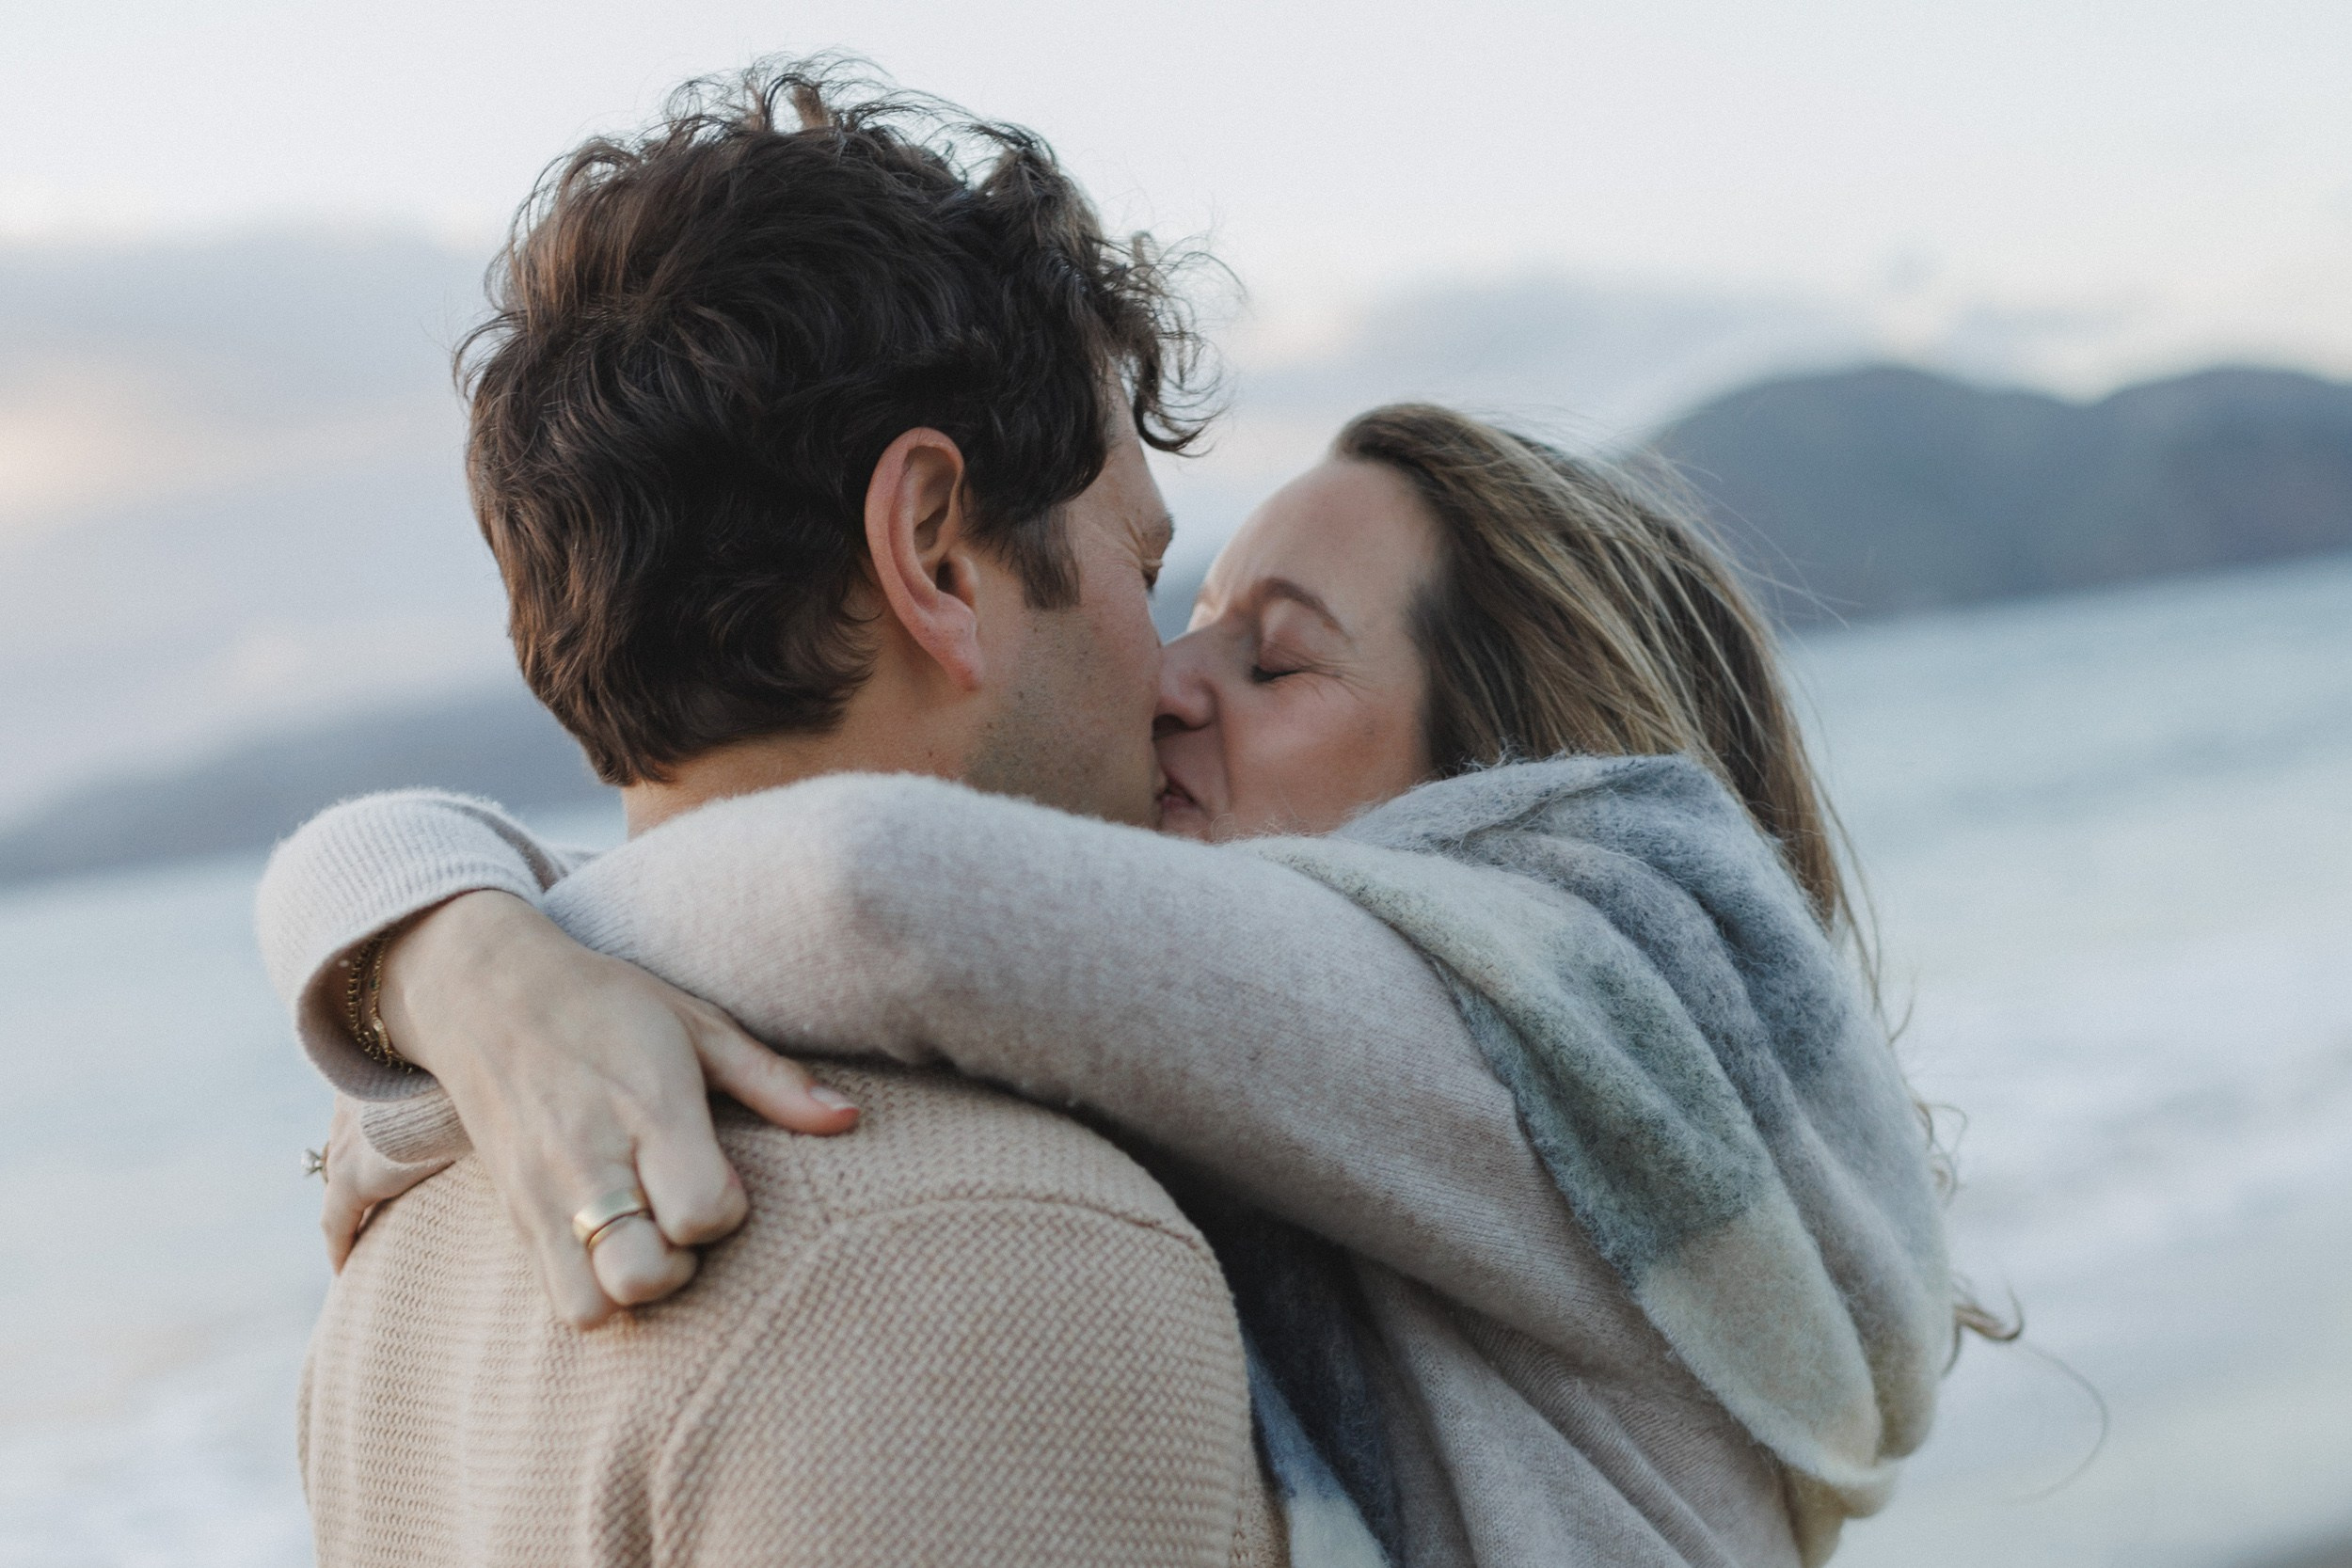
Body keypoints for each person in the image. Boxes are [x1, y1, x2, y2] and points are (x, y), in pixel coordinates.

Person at [269, 395, 1964, 1561]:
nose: (1169, 684)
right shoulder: (1537, 1106)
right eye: (1193, 611)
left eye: (1276, 657)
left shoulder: (1539, 1013)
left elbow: (884, 895)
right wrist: (428, 944)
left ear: (1514, 784)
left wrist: (484, 966)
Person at [259, 60, 1293, 1568]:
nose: (1179, 677)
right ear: (935, 551)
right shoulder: (1003, 1259)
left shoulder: (406, 1236)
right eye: (1143, 571)